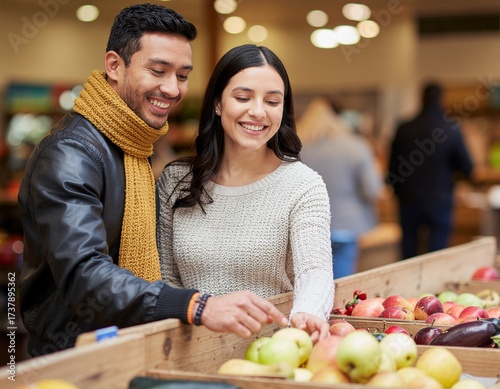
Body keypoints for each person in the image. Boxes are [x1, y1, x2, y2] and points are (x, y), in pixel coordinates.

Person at [17, 4, 288, 357]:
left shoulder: (134, 142)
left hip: (129, 348)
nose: (172, 88)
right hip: (75, 357)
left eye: (182, 75)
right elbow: (84, 276)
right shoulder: (70, 153)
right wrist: (197, 305)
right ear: (115, 65)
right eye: (158, 70)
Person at [157, 44, 334, 343]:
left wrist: (308, 311)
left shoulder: (303, 185)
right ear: (217, 103)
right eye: (243, 97)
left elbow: (314, 271)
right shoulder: (176, 181)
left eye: (272, 101)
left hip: (273, 354)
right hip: (189, 355)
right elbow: (163, 278)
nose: (258, 112)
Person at [387, 82, 474, 259]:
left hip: (409, 200)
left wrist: (399, 192)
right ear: (442, 99)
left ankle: (406, 286)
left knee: (408, 253)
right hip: (439, 200)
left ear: (420, 98)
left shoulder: (404, 128)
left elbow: (392, 170)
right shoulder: (451, 129)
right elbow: (467, 168)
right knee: (436, 255)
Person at [298, 97, 384, 277]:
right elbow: (373, 189)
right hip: (347, 226)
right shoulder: (356, 146)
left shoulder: (297, 149)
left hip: (308, 226)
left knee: (312, 279)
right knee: (342, 279)